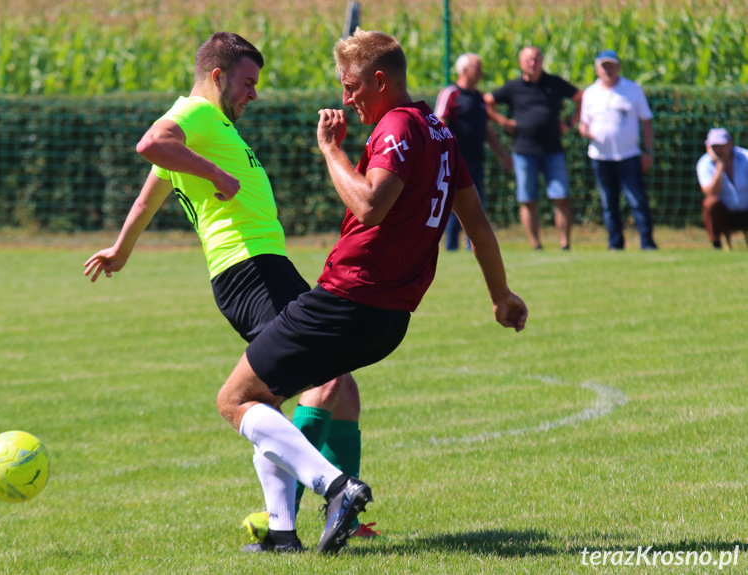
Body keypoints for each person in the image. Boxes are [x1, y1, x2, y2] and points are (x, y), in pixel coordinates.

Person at [215, 29, 527, 555]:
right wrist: (501, 295)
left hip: (348, 300)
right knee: (283, 400)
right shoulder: (440, 133)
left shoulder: (398, 128)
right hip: (390, 320)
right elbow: (477, 224)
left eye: (352, 85)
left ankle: (336, 487)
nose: (346, 97)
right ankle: (285, 534)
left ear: (380, 80)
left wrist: (331, 150)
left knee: (236, 399)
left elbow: (369, 205)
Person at [82, 32, 373, 554]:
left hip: (264, 271)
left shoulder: (207, 126)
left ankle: (285, 532)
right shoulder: (194, 113)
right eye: (247, 82)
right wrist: (216, 174)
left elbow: (155, 183)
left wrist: (122, 248)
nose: (253, 95)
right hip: (250, 273)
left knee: (301, 390)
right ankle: (336, 489)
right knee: (291, 389)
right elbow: (151, 144)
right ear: (217, 77)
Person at [484, 46, 582, 250]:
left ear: (542, 61)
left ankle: (565, 244)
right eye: (528, 60)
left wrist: (571, 122)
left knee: (560, 197)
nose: (533, 63)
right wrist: (503, 122)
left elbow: (580, 97)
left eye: (536, 59)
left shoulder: (554, 83)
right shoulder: (513, 87)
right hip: (524, 151)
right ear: (521, 63)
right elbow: (487, 102)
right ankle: (535, 245)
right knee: (528, 200)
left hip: (553, 150)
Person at [579, 50, 657, 250]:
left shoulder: (632, 89)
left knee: (637, 200)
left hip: (629, 155)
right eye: (604, 67)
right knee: (608, 203)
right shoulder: (590, 93)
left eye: (611, 66)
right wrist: (586, 131)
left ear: (618, 67)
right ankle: (615, 244)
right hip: (600, 157)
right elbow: (583, 124)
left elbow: (646, 121)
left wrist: (648, 151)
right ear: (597, 69)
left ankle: (647, 242)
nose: (608, 70)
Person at [435, 52, 512, 251]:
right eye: (477, 68)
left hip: (477, 161)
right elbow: (439, 124)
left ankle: (474, 247)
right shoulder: (450, 93)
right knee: (455, 207)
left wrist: (502, 155)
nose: (481, 72)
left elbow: (486, 130)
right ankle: (451, 248)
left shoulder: (479, 97)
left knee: (476, 207)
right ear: (463, 70)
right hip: (454, 161)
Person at [696, 128, 748, 250]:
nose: (719, 150)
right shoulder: (704, 163)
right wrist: (719, 167)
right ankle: (717, 245)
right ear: (708, 148)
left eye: (722, 145)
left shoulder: (746, 157)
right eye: (715, 146)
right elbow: (710, 193)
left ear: (731, 144)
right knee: (710, 204)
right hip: (726, 215)